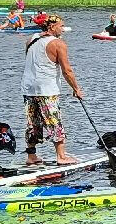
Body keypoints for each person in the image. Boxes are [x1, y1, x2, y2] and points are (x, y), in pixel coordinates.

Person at [21, 14, 84, 166]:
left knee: (33, 122)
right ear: (52, 27)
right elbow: (67, 70)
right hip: (47, 89)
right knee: (54, 120)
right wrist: (76, 88)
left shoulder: (31, 39)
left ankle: (31, 156)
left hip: (28, 87)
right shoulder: (58, 43)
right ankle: (61, 156)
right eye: (61, 26)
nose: (63, 29)